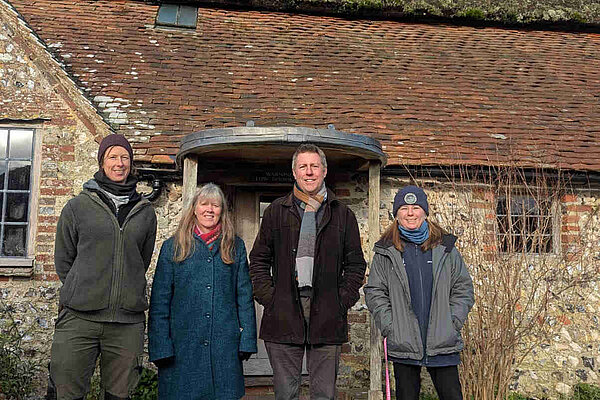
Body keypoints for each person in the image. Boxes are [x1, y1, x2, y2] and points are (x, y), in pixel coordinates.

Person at [249, 144, 367, 400]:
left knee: (324, 394)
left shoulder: (343, 215)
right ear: (294, 173)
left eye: (315, 166)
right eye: (303, 166)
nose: (309, 172)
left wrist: (341, 301)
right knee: (285, 393)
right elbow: (258, 259)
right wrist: (270, 298)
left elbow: (356, 265)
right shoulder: (276, 212)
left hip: (327, 311)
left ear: (324, 171)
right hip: (283, 312)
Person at [50, 134, 157, 400]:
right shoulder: (77, 207)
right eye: (112, 157)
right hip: (80, 317)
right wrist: (84, 287)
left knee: (119, 395)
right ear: (102, 163)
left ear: (131, 164)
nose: (119, 163)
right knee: (66, 391)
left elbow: (140, 260)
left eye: (124, 158)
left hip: (126, 322)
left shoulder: (145, 212)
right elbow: (64, 260)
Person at [365, 185, 475, 400]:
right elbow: (375, 291)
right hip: (404, 342)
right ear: (396, 214)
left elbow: (463, 288)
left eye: (416, 207)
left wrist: (451, 323)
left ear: (425, 212)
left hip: (443, 341)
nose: (410, 213)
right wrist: (391, 326)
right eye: (404, 208)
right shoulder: (386, 250)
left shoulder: (445, 247)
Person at [149, 183, 257, 400]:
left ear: (222, 211)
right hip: (182, 348)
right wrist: (161, 346)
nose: (209, 209)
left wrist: (247, 340)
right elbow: (160, 302)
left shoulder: (235, 246)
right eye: (204, 204)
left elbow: (244, 297)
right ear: (194, 209)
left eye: (215, 205)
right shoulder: (173, 247)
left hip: (224, 347)